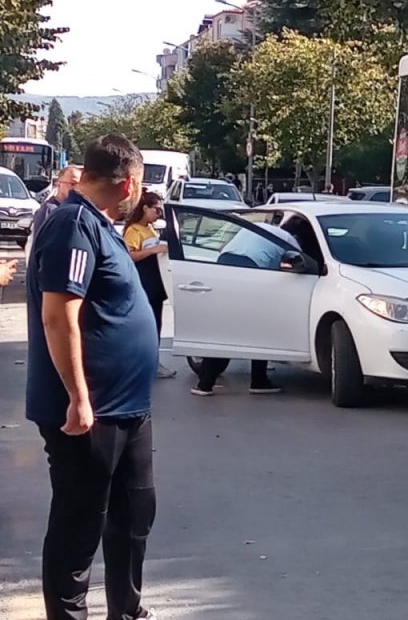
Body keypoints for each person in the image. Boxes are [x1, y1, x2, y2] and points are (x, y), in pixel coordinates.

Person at [26, 134, 158, 620]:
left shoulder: (99, 225)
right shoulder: (73, 226)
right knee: (78, 525)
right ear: (128, 184)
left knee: (134, 515)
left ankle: (128, 611)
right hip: (90, 412)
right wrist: (79, 397)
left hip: (128, 407)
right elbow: (58, 316)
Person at [189, 222, 293, 396]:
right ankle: (258, 381)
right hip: (249, 267)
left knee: (224, 326)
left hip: (224, 261)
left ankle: (205, 383)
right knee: (258, 327)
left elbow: (225, 246)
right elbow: (289, 267)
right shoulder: (289, 240)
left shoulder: (259, 226)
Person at [123, 191, 176, 379]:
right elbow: (129, 255)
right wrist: (153, 250)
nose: (158, 215)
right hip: (144, 282)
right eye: (156, 210)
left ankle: (152, 360)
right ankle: (146, 363)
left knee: (155, 323)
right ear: (145, 208)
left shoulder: (150, 229)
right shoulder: (134, 231)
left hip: (155, 284)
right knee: (147, 325)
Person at [30, 165, 83, 244]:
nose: (76, 188)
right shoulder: (48, 210)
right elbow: (39, 243)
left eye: (79, 185)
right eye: (73, 184)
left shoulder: (80, 210)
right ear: (59, 183)